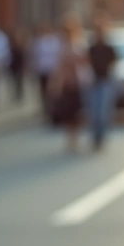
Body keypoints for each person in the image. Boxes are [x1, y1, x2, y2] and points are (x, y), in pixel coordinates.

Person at [49, 17, 87, 152]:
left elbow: (84, 62)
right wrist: (56, 84)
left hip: (77, 83)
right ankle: (70, 138)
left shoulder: (78, 45)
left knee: (77, 113)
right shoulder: (61, 47)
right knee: (68, 113)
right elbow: (59, 67)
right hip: (66, 85)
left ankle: (75, 138)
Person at [85, 16, 117, 151]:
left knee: (103, 111)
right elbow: (86, 63)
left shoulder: (108, 48)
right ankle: (95, 136)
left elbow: (113, 63)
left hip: (105, 81)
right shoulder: (91, 48)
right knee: (94, 111)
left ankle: (101, 135)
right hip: (93, 81)